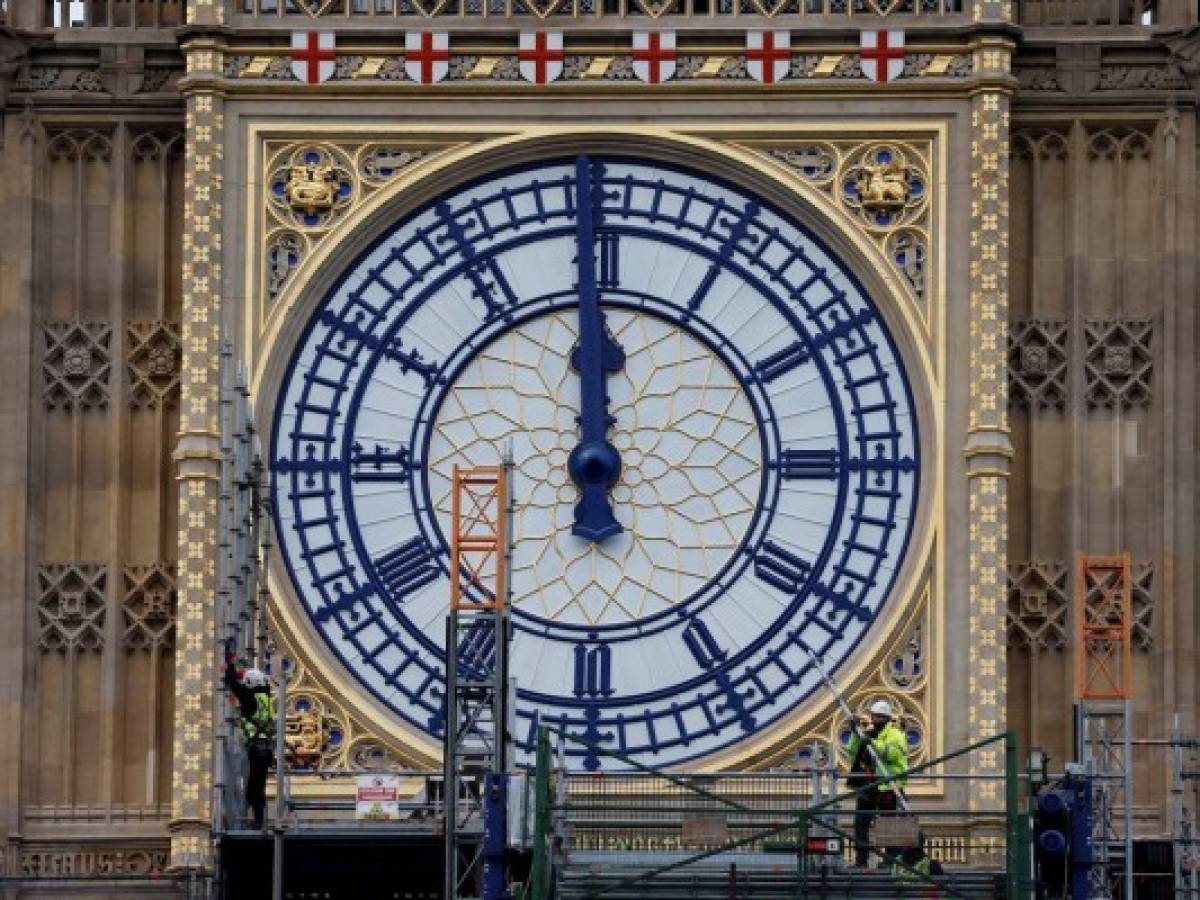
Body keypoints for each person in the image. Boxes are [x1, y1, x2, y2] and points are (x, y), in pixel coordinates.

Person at [846, 698, 909, 867]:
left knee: (889, 824)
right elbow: (853, 754)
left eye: (880, 717)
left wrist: (873, 745)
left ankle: (890, 861)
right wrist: (855, 735)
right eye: (875, 717)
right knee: (861, 822)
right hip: (868, 784)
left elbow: (892, 754)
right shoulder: (868, 732)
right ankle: (861, 860)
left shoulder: (896, 734)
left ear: (887, 719)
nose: (876, 720)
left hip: (889, 785)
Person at [223, 652, 275, 829]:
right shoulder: (266, 699)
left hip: (254, 750)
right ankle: (259, 820)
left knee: (252, 789)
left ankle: (257, 822)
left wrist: (229, 662)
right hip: (265, 750)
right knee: (258, 788)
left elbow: (232, 683)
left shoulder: (250, 699)